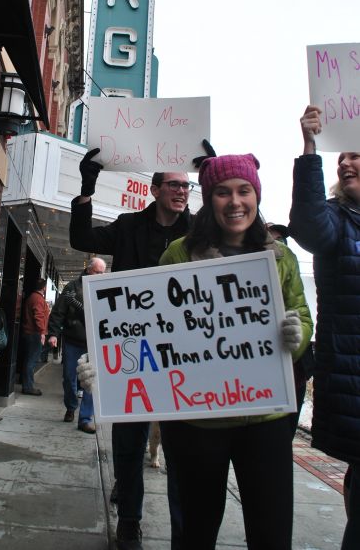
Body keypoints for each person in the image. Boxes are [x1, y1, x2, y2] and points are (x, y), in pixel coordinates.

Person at [156, 154, 313, 550]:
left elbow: (303, 315)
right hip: (199, 423)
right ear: (209, 200)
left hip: (267, 418)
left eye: (244, 191)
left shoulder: (281, 256)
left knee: (272, 531)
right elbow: (154, 325)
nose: (235, 201)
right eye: (222, 192)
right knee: (195, 531)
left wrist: (298, 338)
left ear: (256, 197)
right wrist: (109, 376)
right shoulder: (178, 253)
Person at [70, 147, 196, 550]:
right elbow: (81, 237)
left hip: (182, 353)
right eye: (174, 184)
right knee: (129, 441)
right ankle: (129, 522)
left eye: (187, 185)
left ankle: (184, 531)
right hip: (133, 351)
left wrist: (211, 178)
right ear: (155, 189)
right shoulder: (127, 226)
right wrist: (88, 188)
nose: (182, 191)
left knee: (181, 446)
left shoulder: (199, 230)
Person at [289, 105, 360, 550]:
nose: (347, 163)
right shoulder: (335, 217)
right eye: (343, 159)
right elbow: (309, 227)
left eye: (357, 156)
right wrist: (310, 150)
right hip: (352, 374)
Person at [48, 256, 107, 434]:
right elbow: (58, 311)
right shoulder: (72, 288)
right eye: (98, 272)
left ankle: (85, 418)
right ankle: (71, 406)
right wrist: (53, 333)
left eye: (102, 273)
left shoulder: (104, 288)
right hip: (73, 340)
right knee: (69, 377)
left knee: (91, 381)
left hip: (94, 342)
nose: (100, 275)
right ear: (89, 270)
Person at [266, 222, 315, 436]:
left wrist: (298, 336)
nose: (278, 244)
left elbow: (304, 317)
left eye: (282, 240)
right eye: (273, 238)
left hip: (294, 375)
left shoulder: (287, 262)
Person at [21, 278, 48, 396]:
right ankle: (28, 387)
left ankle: (26, 384)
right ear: (44, 287)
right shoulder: (37, 299)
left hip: (30, 332)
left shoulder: (33, 297)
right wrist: (42, 332)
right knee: (31, 361)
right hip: (34, 333)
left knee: (28, 360)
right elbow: (38, 316)